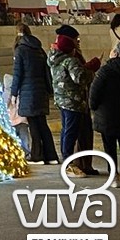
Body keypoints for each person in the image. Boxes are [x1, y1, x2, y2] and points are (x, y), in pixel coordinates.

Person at [48, 24, 99, 176]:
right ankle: (69, 163)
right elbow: (80, 78)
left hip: (64, 100)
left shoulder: (55, 58)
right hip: (73, 101)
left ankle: (74, 162)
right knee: (70, 133)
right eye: (76, 40)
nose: (79, 42)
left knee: (68, 132)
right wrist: (91, 69)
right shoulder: (70, 60)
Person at [11, 24, 58, 163]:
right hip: (41, 91)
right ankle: (51, 156)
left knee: (33, 126)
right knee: (42, 124)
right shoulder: (39, 50)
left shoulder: (20, 51)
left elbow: (17, 74)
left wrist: (14, 93)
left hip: (28, 92)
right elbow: (47, 72)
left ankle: (37, 156)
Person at [89, 42, 120, 186]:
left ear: (116, 54)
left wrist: (93, 108)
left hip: (107, 117)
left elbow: (94, 94)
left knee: (110, 148)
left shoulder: (104, 71)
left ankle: (114, 178)